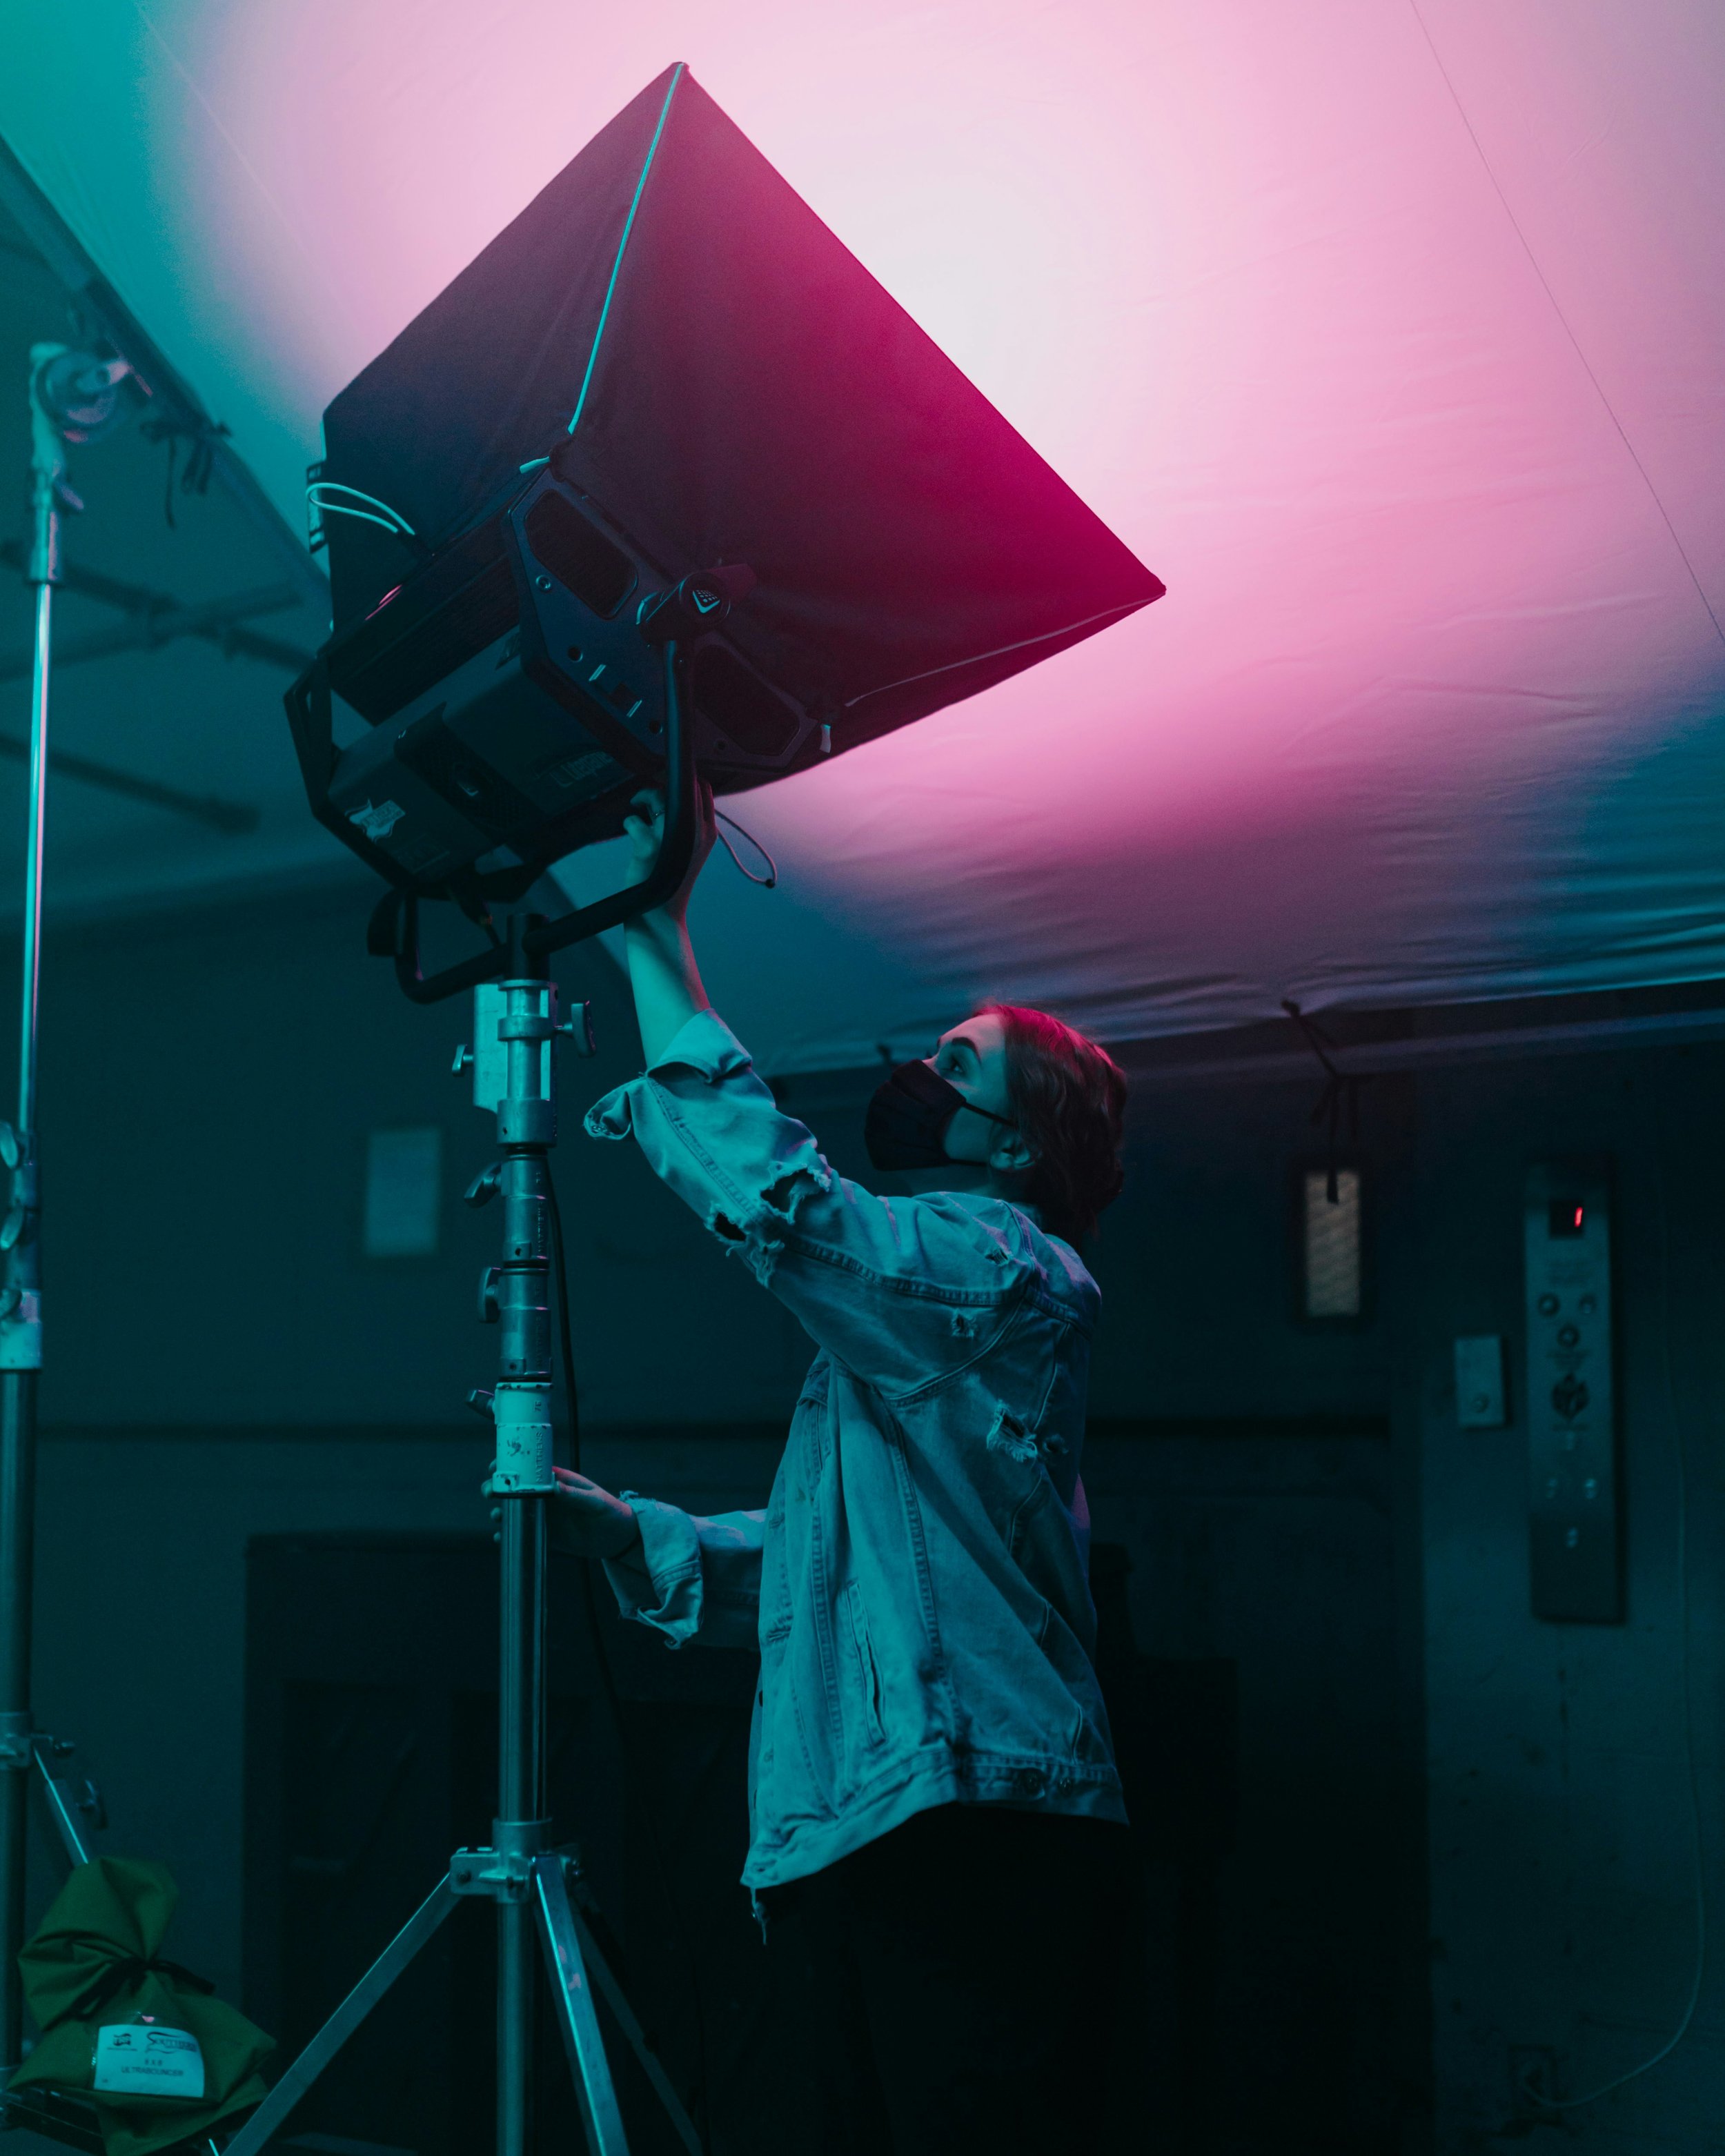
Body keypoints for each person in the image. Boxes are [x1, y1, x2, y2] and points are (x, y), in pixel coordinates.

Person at [553, 784, 1134, 2154]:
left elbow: (785, 1210)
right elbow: (863, 1552)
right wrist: (640, 1534)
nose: (919, 1077)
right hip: (893, 1817)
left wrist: (664, 940)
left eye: (956, 1063)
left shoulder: (1004, 1276)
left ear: (1010, 1142)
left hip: (977, 1821)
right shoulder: (928, 1330)